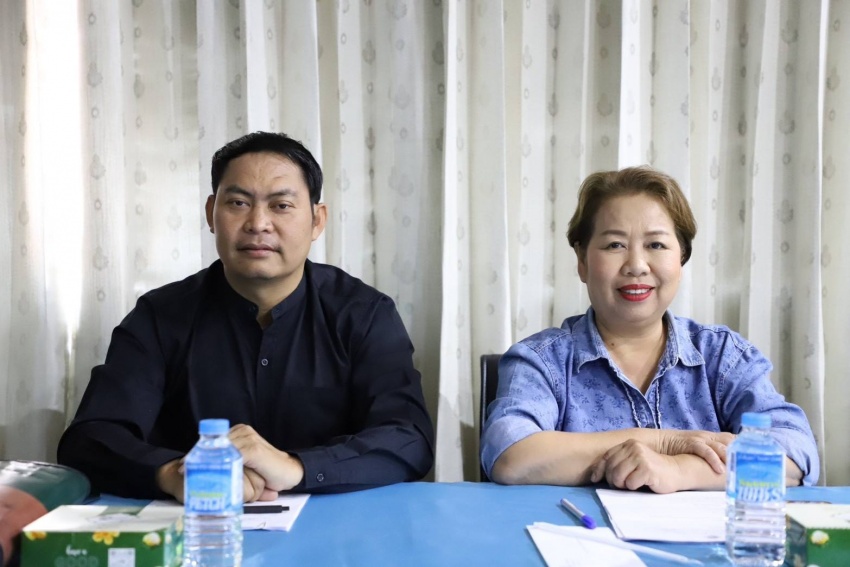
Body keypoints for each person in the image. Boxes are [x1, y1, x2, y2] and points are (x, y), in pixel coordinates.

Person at [58, 132, 435, 501]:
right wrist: (174, 474)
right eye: (238, 203)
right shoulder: (160, 316)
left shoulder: (363, 314)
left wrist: (296, 467)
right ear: (211, 213)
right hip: (201, 521)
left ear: (317, 221)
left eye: (281, 205)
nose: (258, 223)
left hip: (338, 527)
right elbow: (91, 438)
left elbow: (408, 437)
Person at [480, 166, 819, 493]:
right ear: (582, 261)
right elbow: (510, 456)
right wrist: (662, 441)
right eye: (615, 245)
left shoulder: (723, 357)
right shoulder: (542, 361)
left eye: (656, 245)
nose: (636, 265)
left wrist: (678, 469)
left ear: (681, 258)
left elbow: (795, 452)